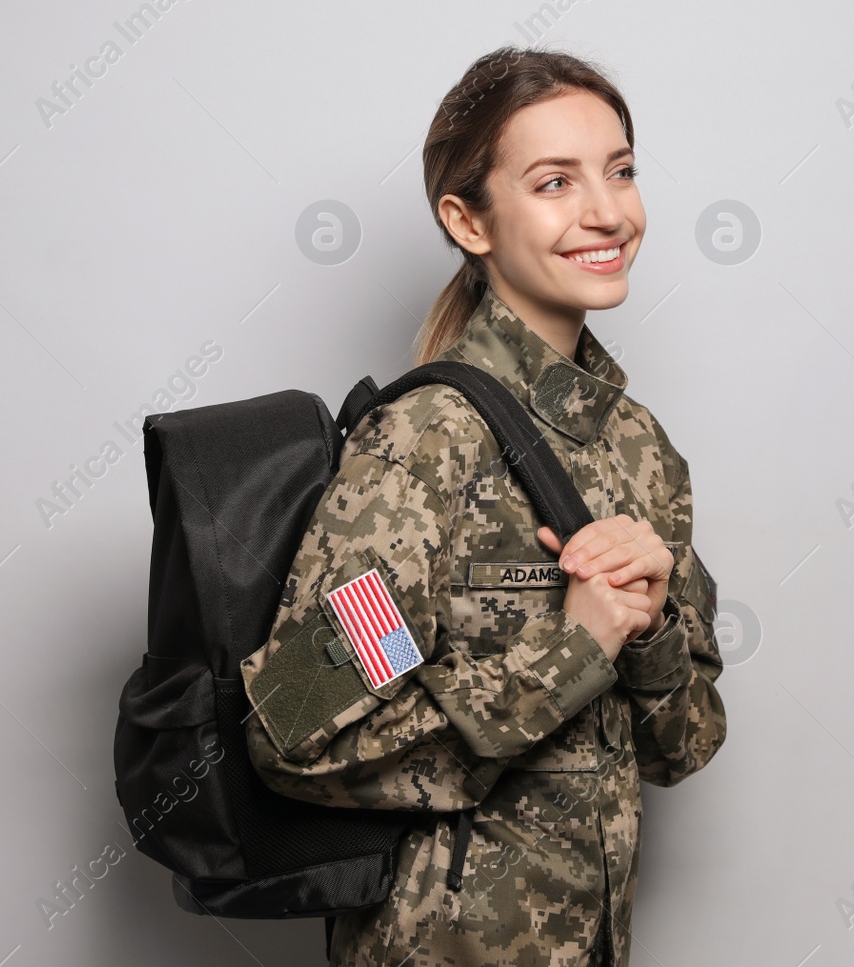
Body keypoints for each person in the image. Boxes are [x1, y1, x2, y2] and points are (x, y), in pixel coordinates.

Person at [240, 47, 727, 967]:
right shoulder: (427, 443)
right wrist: (572, 649)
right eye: (554, 183)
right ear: (468, 220)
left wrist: (652, 626)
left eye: (620, 171)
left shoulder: (640, 450)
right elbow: (294, 731)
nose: (606, 212)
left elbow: (683, 745)